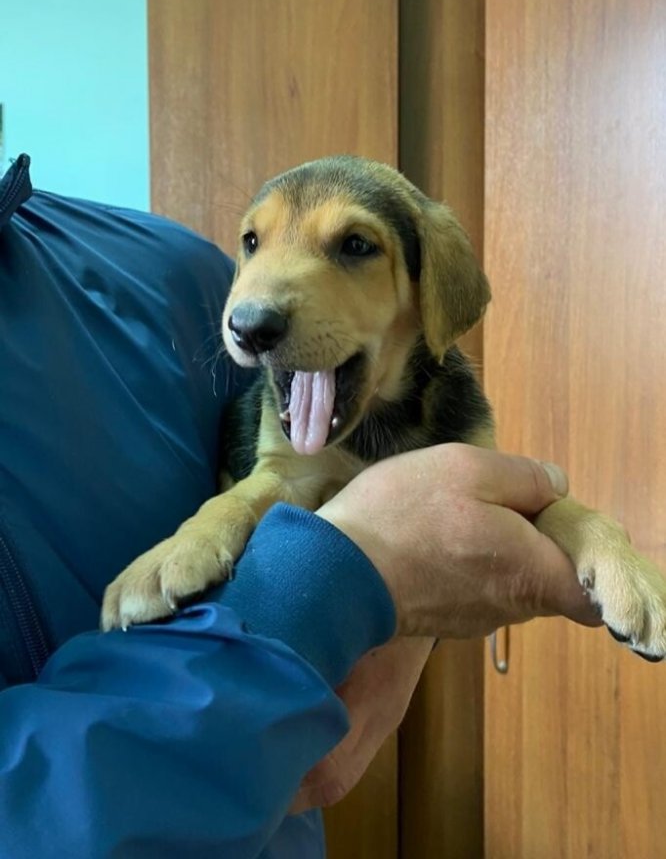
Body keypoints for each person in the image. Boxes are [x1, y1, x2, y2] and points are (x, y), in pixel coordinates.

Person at [0, 155, 599, 858]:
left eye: (354, 245)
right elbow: (275, 479)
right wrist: (341, 582)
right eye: (253, 242)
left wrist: (411, 623)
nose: (255, 299)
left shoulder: (171, 265)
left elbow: (464, 529)